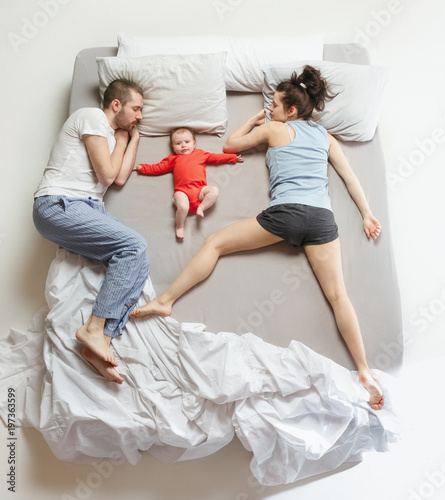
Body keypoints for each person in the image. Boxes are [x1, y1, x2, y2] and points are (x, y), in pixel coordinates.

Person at [129, 66, 384, 410]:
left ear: (290, 111)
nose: (270, 109)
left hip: (287, 215)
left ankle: (166, 300)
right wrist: (367, 214)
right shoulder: (327, 137)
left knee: (215, 243)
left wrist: (254, 121)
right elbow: (350, 177)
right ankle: (364, 371)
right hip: (322, 220)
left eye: (275, 105)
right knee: (339, 296)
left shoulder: (275, 129)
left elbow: (231, 144)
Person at [33, 79, 148, 385]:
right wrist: (122, 138)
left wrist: (130, 137)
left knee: (140, 258)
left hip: (85, 208)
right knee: (133, 246)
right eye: (136, 109)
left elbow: (120, 178)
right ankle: (92, 329)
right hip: (58, 204)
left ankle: (101, 344)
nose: (140, 116)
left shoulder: (111, 135)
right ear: (115, 105)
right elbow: (108, 174)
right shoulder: (91, 116)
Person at [135, 127, 244, 238]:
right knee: (182, 207)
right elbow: (157, 168)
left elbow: (216, 157)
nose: (183, 145)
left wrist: (233, 157)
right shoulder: (172, 159)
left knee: (214, 191)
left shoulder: (200, 154)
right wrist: (142, 168)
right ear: (172, 147)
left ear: (194, 143)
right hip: (182, 192)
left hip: (200, 191)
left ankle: (202, 207)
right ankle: (180, 226)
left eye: (187, 142)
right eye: (178, 143)